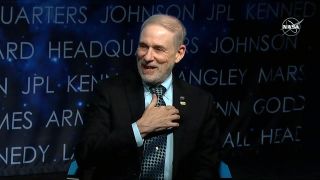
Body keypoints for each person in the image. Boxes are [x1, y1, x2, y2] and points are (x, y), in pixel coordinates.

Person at [75, 14, 220, 180]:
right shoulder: (109, 92)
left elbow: (206, 166)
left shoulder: (201, 102)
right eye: (143, 46)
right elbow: (85, 154)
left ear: (179, 54)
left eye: (158, 49)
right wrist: (139, 129)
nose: (148, 57)